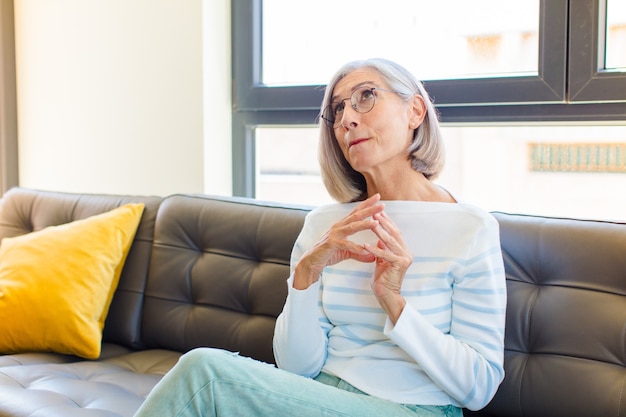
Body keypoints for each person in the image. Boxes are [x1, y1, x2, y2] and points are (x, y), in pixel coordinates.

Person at [134, 58, 506, 417]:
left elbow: (478, 388)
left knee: (205, 374)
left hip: (414, 407)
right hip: (318, 397)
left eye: (366, 96)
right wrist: (305, 276)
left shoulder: (470, 228)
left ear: (415, 112)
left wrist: (393, 302)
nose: (347, 119)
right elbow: (297, 368)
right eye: (337, 110)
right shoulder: (323, 226)